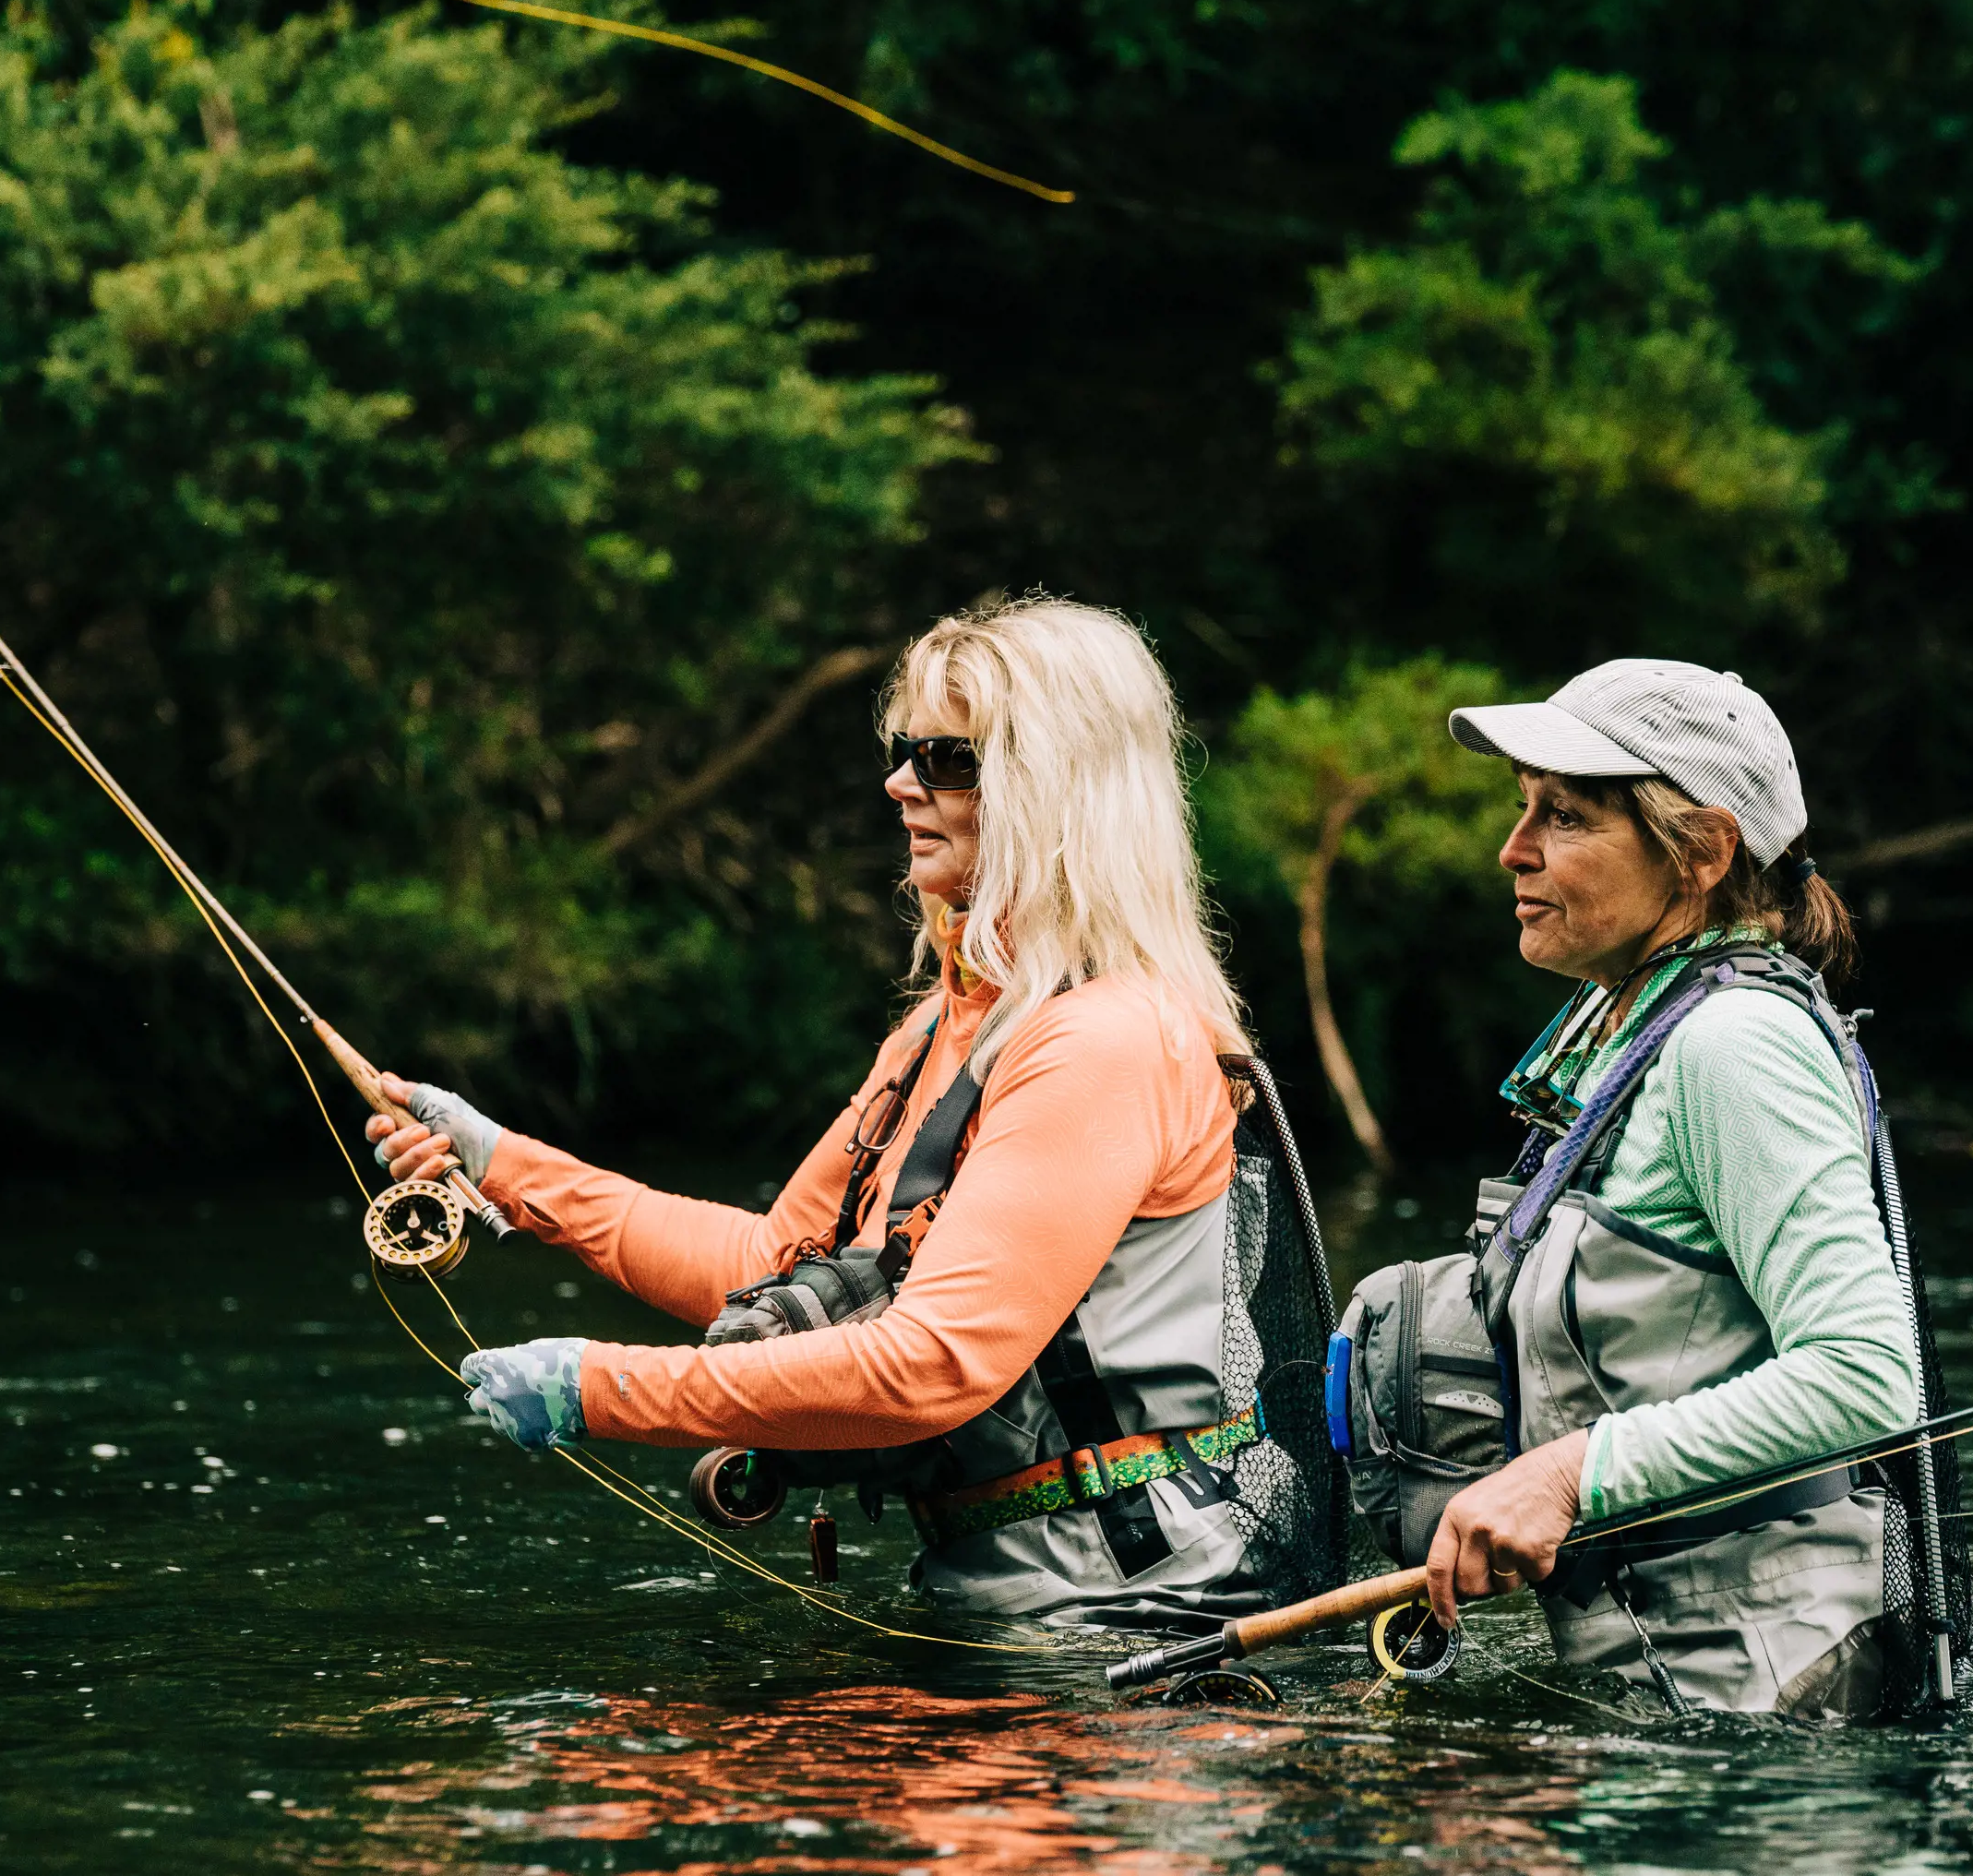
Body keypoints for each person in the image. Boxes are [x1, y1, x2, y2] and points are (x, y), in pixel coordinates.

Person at [362, 596, 1336, 1629]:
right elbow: (771, 1257)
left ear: (1059, 787)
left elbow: (934, 1361)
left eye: (947, 760)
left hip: (1135, 1617)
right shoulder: (943, 1027)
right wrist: (505, 1165)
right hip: (1005, 1598)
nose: (901, 783)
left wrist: (594, 1387)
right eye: (905, 750)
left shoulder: (1106, 1039)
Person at [1417, 658, 1958, 1717]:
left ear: (1702, 853)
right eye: (1523, 808)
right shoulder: (1636, 1027)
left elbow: (1862, 1375)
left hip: (1771, 1714)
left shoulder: (1733, 1044)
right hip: (1676, 1695)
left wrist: (1570, 1473)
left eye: (1564, 816)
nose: (1512, 849)